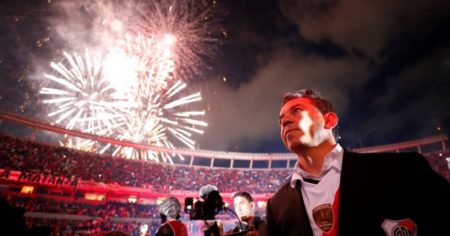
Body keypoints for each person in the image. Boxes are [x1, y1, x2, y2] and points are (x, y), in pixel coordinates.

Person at [265, 89, 450, 236]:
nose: (285, 121)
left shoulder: (401, 170)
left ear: (329, 120)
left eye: (296, 110)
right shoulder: (277, 205)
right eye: (281, 121)